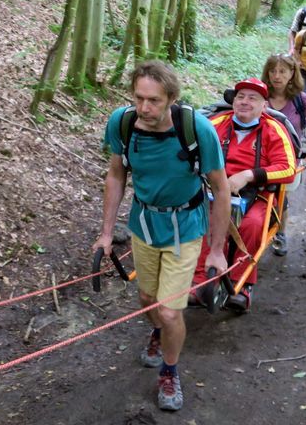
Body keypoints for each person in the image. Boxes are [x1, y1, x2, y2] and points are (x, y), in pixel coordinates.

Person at [93, 60, 230, 412]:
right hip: (143, 224)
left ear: (171, 97)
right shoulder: (122, 124)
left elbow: (220, 187)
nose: (144, 108)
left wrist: (216, 250)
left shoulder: (196, 129)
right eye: (138, 98)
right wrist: (107, 233)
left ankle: (170, 370)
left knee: (170, 313)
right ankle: (158, 334)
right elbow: (115, 176)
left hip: (185, 227)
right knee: (146, 298)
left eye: (153, 100)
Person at [192, 77, 296, 311]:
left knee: (253, 225)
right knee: (205, 221)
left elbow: (288, 168)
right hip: (213, 192)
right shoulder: (216, 123)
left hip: (256, 195)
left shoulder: (274, 130)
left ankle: (242, 283)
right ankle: (201, 282)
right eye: (240, 97)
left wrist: (249, 175)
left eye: (253, 98)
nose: (245, 102)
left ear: (264, 106)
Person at [262, 54, 306, 255]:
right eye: (273, 71)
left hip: (287, 159)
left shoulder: (300, 100)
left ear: (292, 73)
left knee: (281, 199)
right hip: (259, 155)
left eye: (282, 71)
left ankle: (279, 233)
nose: (277, 76)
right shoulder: (259, 95)